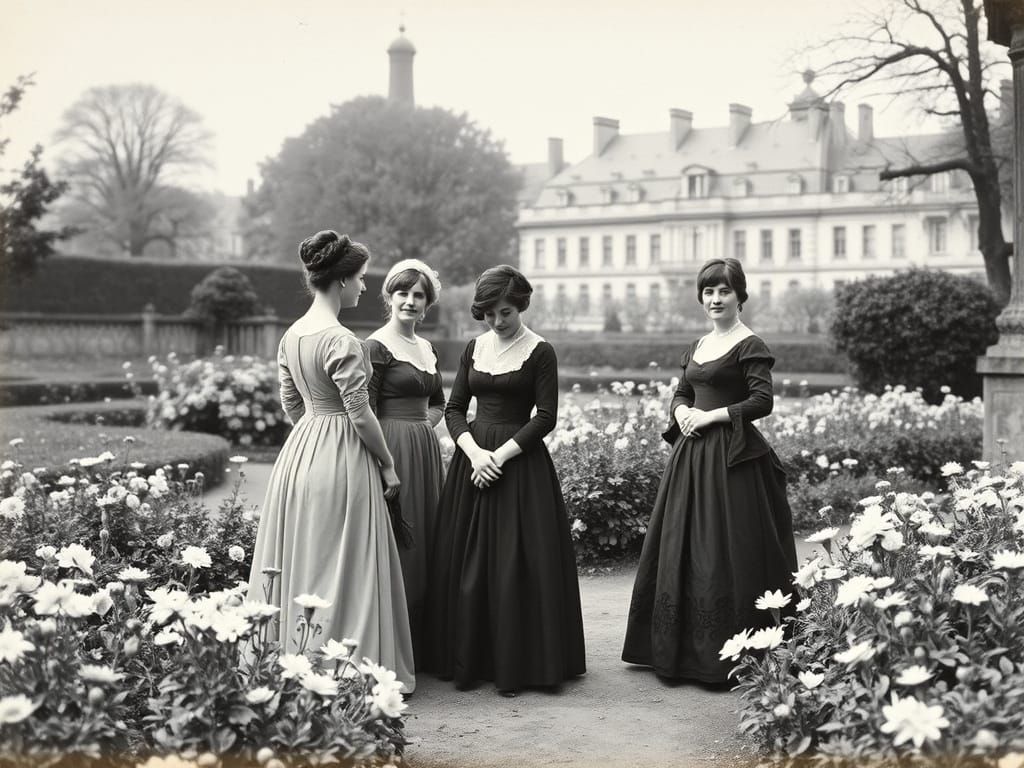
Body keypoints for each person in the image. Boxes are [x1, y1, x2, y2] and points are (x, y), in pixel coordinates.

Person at [247, 230, 415, 692]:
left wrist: (313, 431)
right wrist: (387, 464)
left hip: (300, 454)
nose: (364, 287)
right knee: (347, 561)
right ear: (340, 281)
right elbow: (360, 415)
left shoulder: (292, 335)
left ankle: (295, 657)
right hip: (343, 455)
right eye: (360, 279)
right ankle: (344, 665)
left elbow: (290, 403)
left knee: (303, 555)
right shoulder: (341, 339)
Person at [622, 257, 797, 685]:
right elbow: (682, 391)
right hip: (690, 457)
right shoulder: (698, 346)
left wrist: (712, 416)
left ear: (740, 296)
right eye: (709, 292)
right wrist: (682, 410)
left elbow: (762, 401)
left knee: (723, 548)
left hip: (731, 461)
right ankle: (676, 650)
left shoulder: (749, 343)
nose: (715, 299)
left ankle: (727, 655)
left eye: (724, 291)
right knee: (681, 543)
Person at [423, 265, 586, 695]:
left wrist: (500, 455)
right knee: (467, 564)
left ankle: (522, 660)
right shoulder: (474, 348)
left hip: (520, 465)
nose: (497, 321)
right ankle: (469, 658)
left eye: (506, 312)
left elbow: (546, 416)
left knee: (519, 563)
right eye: (490, 313)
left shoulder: (540, 351)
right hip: (472, 464)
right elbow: (456, 408)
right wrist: (475, 453)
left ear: (522, 307)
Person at [366, 259, 446, 664]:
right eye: (403, 293)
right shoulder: (376, 346)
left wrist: (423, 428)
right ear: (390, 297)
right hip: (391, 449)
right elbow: (363, 408)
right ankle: (397, 646)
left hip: (425, 450)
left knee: (433, 539)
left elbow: (439, 403)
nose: (410, 301)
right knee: (402, 543)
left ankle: (429, 643)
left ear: (427, 303)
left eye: (418, 295)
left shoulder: (427, 348)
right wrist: (384, 460)